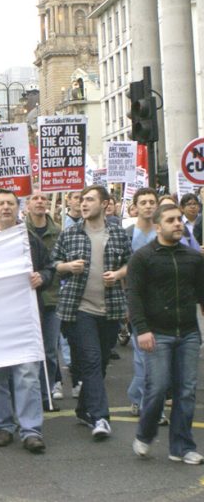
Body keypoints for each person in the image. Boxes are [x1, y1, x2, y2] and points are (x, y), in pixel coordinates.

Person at [0, 189, 52, 454]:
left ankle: (31, 431)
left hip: (25, 320)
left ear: (18, 208)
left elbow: (50, 268)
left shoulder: (29, 239)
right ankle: (4, 427)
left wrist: (42, 277)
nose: (5, 208)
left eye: (10, 203)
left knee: (28, 376)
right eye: (0, 204)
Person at [53, 185, 131, 440]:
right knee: (92, 360)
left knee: (100, 364)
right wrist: (67, 265)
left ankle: (84, 409)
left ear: (105, 204)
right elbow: (52, 264)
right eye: (82, 200)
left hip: (110, 309)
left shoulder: (118, 234)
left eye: (89, 200)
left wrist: (119, 274)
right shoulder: (70, 234)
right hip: (80, 309)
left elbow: (132, 264)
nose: (83, 204)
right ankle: (100, 417)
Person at [129, 204, 204, 464]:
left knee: (186, 391)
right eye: (171, 220)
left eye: (179, 220)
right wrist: (142, 329)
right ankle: (145, 434)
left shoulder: (193, 257)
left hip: (188, 333)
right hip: (156, 333)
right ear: (158, 226)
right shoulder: (143, 257)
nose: (177, 224)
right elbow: (134, 296)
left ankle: (181, 447)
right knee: (158, 388)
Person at [25, 188, 63, 411]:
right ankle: (29, 394)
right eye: (35, 198)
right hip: (27, 300)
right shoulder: (19, 233)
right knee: (29, 351)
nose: (40, 201)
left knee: (49, 350)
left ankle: (45, 394)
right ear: (27, 205)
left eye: (43, 198)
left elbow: (59, 263)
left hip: (52, 298)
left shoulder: (58, 232)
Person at [124, 188, 158, 418]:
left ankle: (138, 393)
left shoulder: (164, 231)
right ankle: (144, 401)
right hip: (137, 301)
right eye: (143, 202)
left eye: (151, 202)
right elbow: (122, 268)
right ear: (135, 207)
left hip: (163, 302)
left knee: (158, 355)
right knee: (142, 355)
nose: (148, 206)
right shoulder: (128, 234)